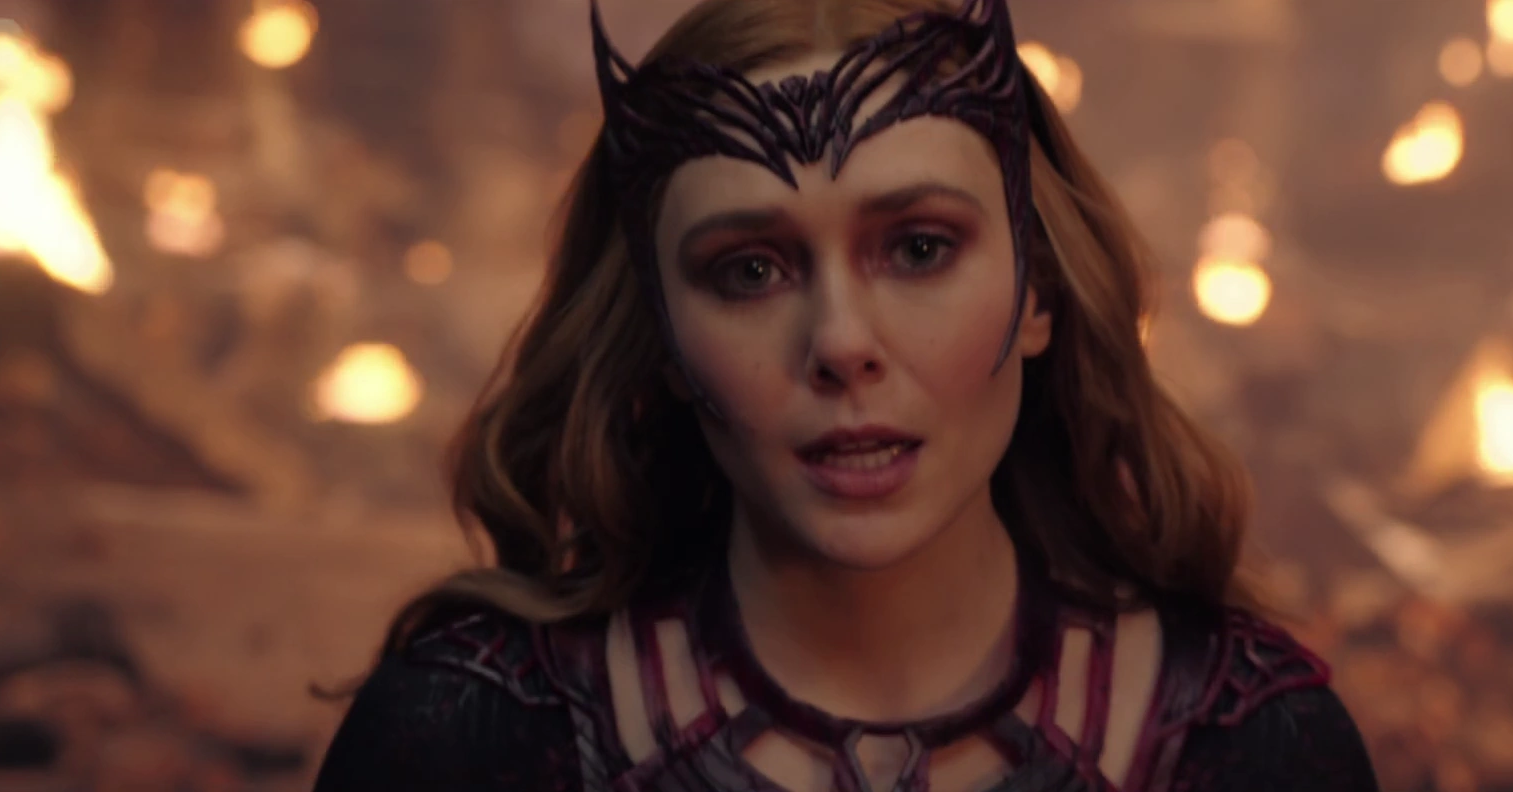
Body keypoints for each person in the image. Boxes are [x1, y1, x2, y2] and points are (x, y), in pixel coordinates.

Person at [313, 0, 1379, 789]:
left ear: (1038, 293)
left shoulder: (1248, 748)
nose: (840, 344)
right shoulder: (469, 738)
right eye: (749, 270)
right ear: (663, 342)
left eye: (918, 248)